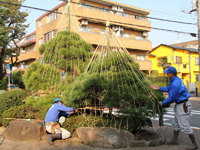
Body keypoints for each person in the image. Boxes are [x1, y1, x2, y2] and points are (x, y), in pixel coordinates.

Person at [150, 66, 198, 150]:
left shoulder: (176, 83)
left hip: (183, 105)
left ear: (171, 74)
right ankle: (174, 140)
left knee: (184, 125)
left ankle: (194, 143)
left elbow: (172, 97)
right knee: (175, 123)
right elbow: (169, 88)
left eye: (167, 73)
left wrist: (163, 103)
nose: (167, 75)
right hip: (180, 105)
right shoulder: (174, 80)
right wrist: (159, 88)